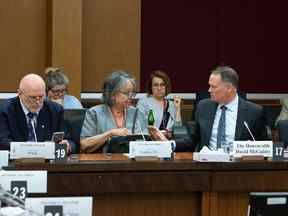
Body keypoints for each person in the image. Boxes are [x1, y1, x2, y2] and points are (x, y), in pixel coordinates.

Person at [193, 65, 268, 152]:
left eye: (214, 87)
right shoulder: (204, 107)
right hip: (207, 163)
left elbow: (264, 147)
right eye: (209, 86)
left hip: (239, 164)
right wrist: (174, 144)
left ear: (229, 88)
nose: (209, 90)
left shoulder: (254, 112)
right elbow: (192, 139)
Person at [0, 73, 73, 152]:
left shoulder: (55, 110)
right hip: (15, 162)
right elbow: (3, 143)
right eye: (32, 97)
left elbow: (71, 141)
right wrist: (33, 150)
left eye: (41, 96)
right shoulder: (5, 110)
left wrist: (67, 145)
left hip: (48, 163)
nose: (38, 102)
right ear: (19, 94)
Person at [80, 70, 148, 153]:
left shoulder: (137, 114)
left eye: (132, 93)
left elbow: (145, 144)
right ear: (112, 94)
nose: (131, 97)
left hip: (131, 163)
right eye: (126, 93)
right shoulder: (94, 113)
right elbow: (84, 144)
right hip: (102, 163)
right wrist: (110, 134)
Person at [137, 70, 182, 138]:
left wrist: (178, 108)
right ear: (151, 87)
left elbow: (179, 130)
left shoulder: (172, 104)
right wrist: (156, 135)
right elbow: (138, 128)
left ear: (166, 86)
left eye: (162, 85)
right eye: (155, 85)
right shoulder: (143, 103)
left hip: (168, 143)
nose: (159, 88)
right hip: (150, 143)